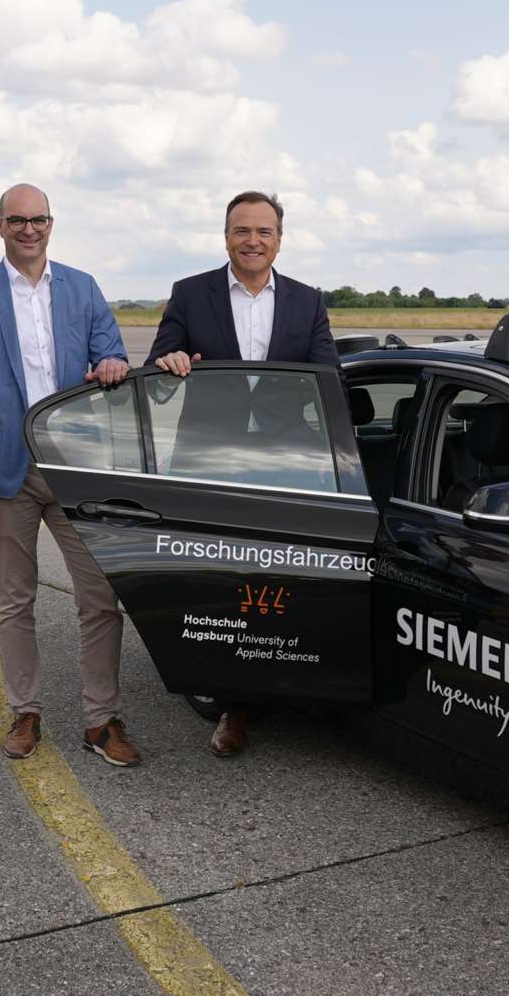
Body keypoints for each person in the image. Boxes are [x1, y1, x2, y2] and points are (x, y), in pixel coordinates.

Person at [0, 184, 140, 766]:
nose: (28, 229)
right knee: (14, 601)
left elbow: (111, 349)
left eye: (38, 219)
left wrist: (113, 361)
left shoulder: (82, 287)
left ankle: (102, 720)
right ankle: (25, 711)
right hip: (7, 474)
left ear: (51, 224)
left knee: (100, 597)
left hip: (76, 469)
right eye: (17, 220)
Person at [147, 191, 336, 757]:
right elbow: (155, 379)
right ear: (225, 236)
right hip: (212, 463)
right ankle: (234, 704)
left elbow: (328, 380)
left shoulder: (307, 300)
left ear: (280, 239)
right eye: (242, 230)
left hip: (285, 467)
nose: (252, 240)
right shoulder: (190, 294)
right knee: (225, 585)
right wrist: (168, 366)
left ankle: (291, 679)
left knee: (282, 582)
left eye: (263, 231)